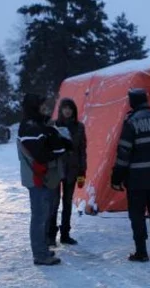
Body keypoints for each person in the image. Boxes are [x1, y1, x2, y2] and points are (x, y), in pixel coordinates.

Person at [111, 88, 150, 262]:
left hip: (137, 180)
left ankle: (141, 252)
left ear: (132, 102)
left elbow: (123, 154)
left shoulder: (131, 123)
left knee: (137, 215)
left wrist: (116, 178)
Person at [17, 93, 72, 266]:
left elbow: (51, 144)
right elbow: (40, 154)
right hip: (37, 177)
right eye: (42, 104)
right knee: (39, 217)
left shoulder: (38, 124)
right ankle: (40, 254)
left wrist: (56, 139)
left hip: (43, 177)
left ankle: (42, 249)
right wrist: (59, 148)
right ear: (34, 106)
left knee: (44, 214)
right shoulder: (29, 127)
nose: (45, 108)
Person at [48, 98, 87, 246]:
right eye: (65, 108)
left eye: (70, 108)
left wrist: (83, 171)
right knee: (54, 202)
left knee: (67, 202)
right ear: (60, 110)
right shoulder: (53, 126)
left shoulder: (79, 127)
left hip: (73, 169)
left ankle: (65, 234)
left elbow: (82, 150)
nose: (67, 111)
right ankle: (51, 235)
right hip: (56, 169)